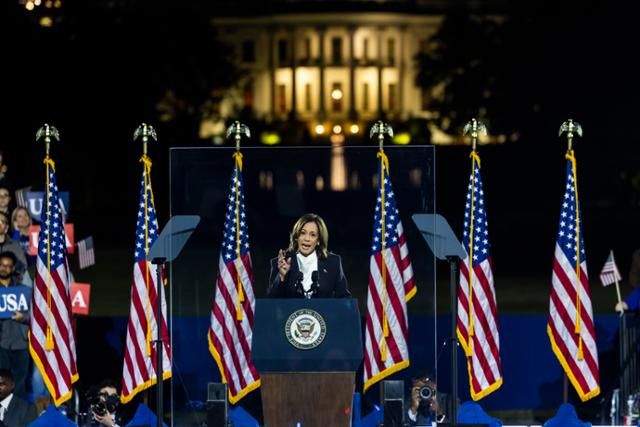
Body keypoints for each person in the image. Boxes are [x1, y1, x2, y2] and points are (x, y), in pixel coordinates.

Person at [267, 213, 350, 298]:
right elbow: (271, 301)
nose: (307, 239)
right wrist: (281, 277)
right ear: (296, 237)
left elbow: (344, 298)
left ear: (319, 240)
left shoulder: (333, 262)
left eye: (313, 235)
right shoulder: (281, 263)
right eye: (302, 233)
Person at [0, 252, 30, 399]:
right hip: (1, 344)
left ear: (13, 269)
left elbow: (35, 315)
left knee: (19, 385)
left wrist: (23, 317)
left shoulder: (23, 290)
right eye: (1, 265)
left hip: (20, 344)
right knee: (1, 384)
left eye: (8, 266)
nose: (4, 268)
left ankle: (18, 418)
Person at [0, 213, 27, 286]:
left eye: (2, 221)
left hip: (12, 284)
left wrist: (15, 280)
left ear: (6, 227)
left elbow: (23, 267)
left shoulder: (14, 245)